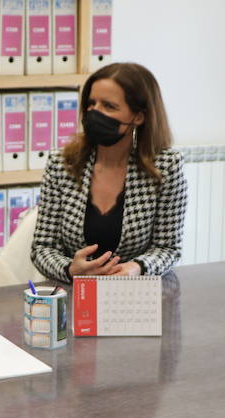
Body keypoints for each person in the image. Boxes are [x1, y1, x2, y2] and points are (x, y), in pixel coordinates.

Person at [30, 62, 187, 281]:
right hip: (76, 292)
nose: (95, 113)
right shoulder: (62, 163)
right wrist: (70, 269)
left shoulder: (166, 167)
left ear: (139, 117)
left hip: (136, 294)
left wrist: (137, 267)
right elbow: (42, 247)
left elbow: (168, 248)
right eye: (91, 104)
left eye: (109, 106)